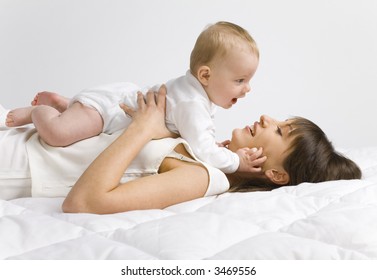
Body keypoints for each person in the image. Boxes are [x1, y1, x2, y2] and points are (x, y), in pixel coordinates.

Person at [5, 21, 261, 174]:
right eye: (240, 80)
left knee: (78, 124)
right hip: (109, 110)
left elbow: (197, 140)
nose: (247, 88)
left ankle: (67, 104)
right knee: (58, 135)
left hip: (116, 103)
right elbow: (204, 152)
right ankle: (38, 113)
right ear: (205, 75)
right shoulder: (192, 104)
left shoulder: (196, 96)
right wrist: (236, 161)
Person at [59, 86, 361, 214]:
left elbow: (84, 202)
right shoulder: (205, 151)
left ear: (277, 174)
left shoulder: (202, 177)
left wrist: (143, 127)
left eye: (280, 130)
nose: (269, 118)